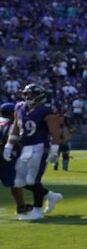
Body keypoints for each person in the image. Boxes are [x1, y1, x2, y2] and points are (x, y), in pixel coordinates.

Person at [5, 83, 64, 221]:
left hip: (40, 147)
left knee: (33, 180)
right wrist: (9, 145)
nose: (28, 97)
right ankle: (50, 195)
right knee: (18, 182)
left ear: (39, 96)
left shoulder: (46, 111)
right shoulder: (19, 107)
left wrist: (54, 150)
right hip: (25, 147)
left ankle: (37, 211)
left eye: (31, 95)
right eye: (26, 94)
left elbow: (55, 133)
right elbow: (15, 128)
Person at [0, 102, 19, 214]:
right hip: (3, 155)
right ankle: (21, 206)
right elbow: (12, 139)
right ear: (13, 113)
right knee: (14, 182)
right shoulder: (11, 124)